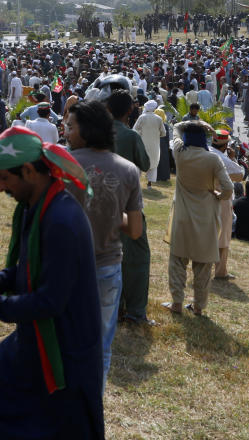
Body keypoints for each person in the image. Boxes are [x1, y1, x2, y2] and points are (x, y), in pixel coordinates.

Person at [0, 127, 103, 440]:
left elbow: (50, 302)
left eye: (5, 178)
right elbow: (30, 268)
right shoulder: (38, 206)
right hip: (34, 342)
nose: (1, 188)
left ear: (30, 170)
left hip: (64, 351)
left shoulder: (62, 220)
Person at [65, 100, 142, 389]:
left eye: (70, 127)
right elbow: (135, 230)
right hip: (107, 267)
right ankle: (91, 408)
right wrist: (113, 212)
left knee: (62, 340)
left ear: (85, 131)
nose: (66, 131)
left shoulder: (62, 164)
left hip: (65, 266)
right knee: (100, 346)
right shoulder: (129, 170)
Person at [163, 120, 233, 316]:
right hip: (206, 217)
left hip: (182, 216)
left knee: (177, 262)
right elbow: (229, 188)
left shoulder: (180, 152)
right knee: (203, 267)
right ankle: (199, 307)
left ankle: (177, 303)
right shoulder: (212, 159)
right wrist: (220, 196)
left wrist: (195, 122)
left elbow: (175, 127)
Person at [108, 89, 154, 326]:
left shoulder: (96, 133)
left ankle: (113, 307)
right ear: (129, 110)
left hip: (98, 204)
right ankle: (135, 311)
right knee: (136, 257)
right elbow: (145, 164)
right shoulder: (130, 136)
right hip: (127, 205)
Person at [210, 129, 243, 279]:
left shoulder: (205, 151)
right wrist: (232, 158)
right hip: (222, 200)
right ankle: (220, 271)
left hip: (204, 199)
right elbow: (240, 175)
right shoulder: (223, 159)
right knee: (222, 238)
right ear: (225, 145)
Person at [133, 99, 165, 187]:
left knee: (139, 162)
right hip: (155, 144)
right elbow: (163, 133)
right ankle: (149, 184)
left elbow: (134, 130)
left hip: (142, 144)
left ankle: (136, 182)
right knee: (153, 163)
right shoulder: (158, 119)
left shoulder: (142, 117)